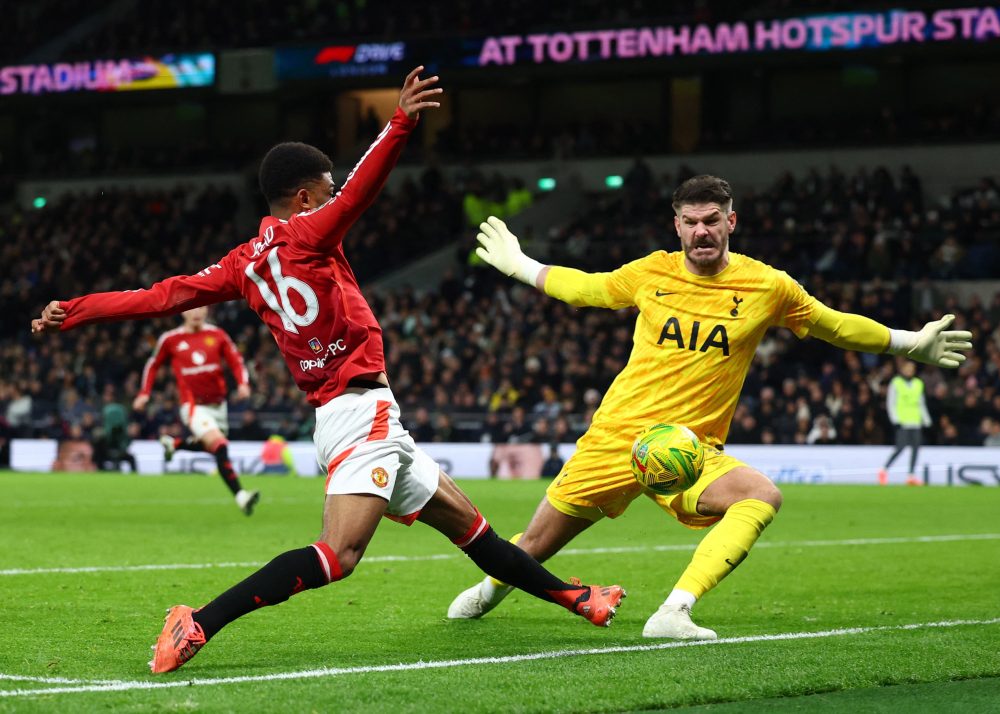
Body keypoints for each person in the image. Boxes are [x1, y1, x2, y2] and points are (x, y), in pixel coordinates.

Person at [32, 67, 624, 675]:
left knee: (475, 532)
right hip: (357, 413)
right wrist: (400, 122)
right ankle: (198, 622)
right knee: (338, 555)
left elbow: (160, 296)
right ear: (306, 198)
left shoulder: (240, 264)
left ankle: (581, 601)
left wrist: (74, 311)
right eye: (327, 188)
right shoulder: (310, 234)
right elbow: (363, 189)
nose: (336, 194)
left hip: (364, 415)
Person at [449, 175, 972, 640]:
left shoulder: (767, 285)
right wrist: (522, 266)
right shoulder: (651, 273)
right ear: (676, 226)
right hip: (616, 438)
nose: (702, 231)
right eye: (691, 222)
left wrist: (907, 342)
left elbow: (832, 323)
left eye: (712, 220)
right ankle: (493, 589)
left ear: (731, 222)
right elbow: (589, 289)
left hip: (690, 450)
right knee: (535, 543)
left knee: (760, 496)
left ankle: (674, 611)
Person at [135, 306, 259, 514]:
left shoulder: (217, 335)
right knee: (219, 445)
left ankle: (174, 444)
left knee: (212, 445)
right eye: (192, 308)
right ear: (183, 312)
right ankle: (240, 495)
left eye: (201, 307)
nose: (196, 312)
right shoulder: (171, 339)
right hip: (193, 406)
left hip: (219, 406)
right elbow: (153, 364)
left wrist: (243, 383)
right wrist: (144, 393)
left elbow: (236, 360)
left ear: (208, 309)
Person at [878, 360, 931, 486]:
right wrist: (894, 419)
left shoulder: (918, 383)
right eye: (907, 368)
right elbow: (891, 402)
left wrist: (926, 419)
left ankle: (911, 476)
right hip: (902, 421)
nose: (909, 371)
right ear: (902, 369)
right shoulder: (896, 382)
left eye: (912, 369)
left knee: (916, 449)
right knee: (900, 448)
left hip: (916, 421)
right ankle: (883, 470)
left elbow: (921, 402)